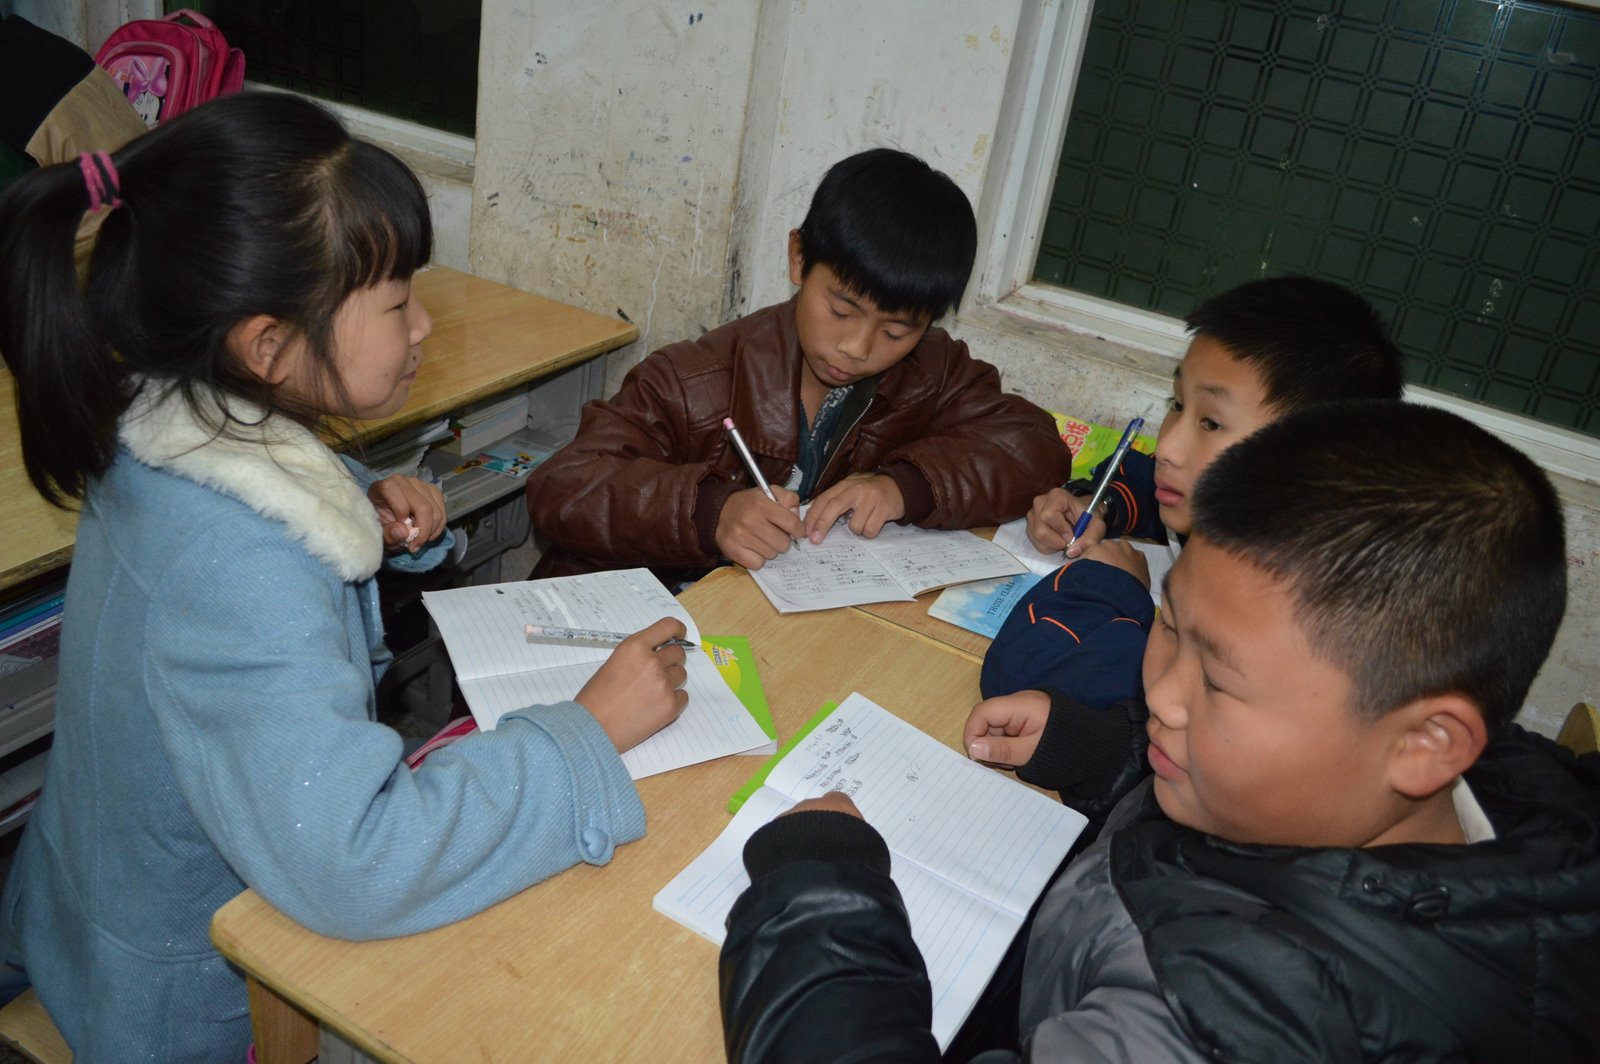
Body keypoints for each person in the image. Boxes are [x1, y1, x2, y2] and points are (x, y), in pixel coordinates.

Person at [0, 93, 688, 1063]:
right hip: (185, 997)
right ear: (268, 345)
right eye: (398, 302)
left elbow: (266, 505)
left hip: (92, 899)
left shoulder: (169, 423)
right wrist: (586, 734)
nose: (423, 325)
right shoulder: (240, 564)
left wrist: (360, 504)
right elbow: (357, 860)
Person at [719, 400, 1600, 1062]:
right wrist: (1101, 750)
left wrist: (817, 890)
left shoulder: (1222, 1025)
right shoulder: (1501, 786)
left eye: (1220, 679)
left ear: (1427, 744)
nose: (1165, 696)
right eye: (1168, 625)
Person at [525, 147, 1070, 580]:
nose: (857, 347)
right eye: (841, 311)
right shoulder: (695, 381)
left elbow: (1034, 446)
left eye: (896, 330)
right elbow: (563, 486)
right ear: (798, 258)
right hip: (644, 622)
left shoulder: (930, 370)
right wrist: (708, 512)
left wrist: (907, 487)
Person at [976, 278, 1405, 826]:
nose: (1170, 445)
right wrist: (1099, 502)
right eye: (1177, 405)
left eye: (1211, 423)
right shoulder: (1267, 519)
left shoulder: (1285, 624)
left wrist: (1112, 589)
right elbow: (1139, 475)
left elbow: (1024, 678)